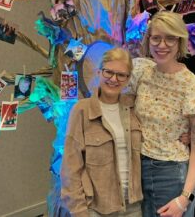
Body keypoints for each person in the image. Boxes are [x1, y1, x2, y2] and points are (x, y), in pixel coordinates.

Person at [128, 11, 195, 217]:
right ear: (148, 40)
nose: (162, 45)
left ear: (180, 41)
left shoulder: (194, 88)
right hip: (136, 169)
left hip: (170, 174)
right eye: (156, 38)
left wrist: (184, 198)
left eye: (170, 38)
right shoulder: (141, 72)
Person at [61, 48, 143, 216]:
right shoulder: (81, 111)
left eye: (121, 75)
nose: (114, 79)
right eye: (108, 72)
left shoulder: (134, 108)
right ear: (99, 72)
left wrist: (183, 136)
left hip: (133, 207)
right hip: (97, 209)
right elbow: (70, 169)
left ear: (128, 79)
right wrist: (79, 212)